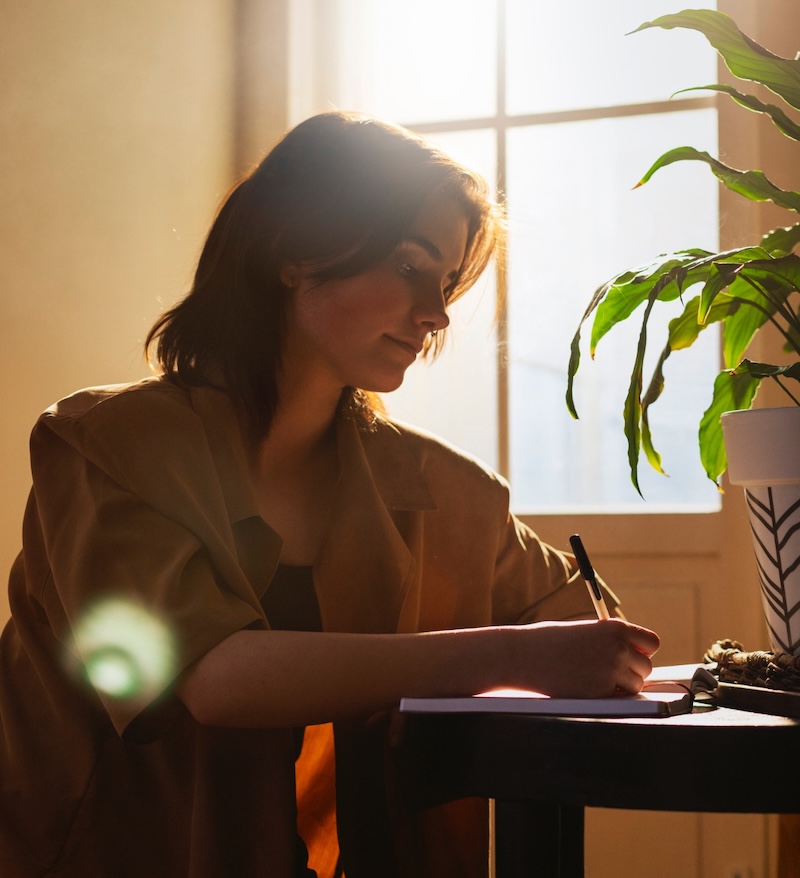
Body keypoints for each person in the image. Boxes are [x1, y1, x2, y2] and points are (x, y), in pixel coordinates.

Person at [0, 111, 659, 878]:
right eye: (411, 268)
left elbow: (584, 627)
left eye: (446, 282)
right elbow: (212, 680)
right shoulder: (103, 446)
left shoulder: (445, 489)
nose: (436, 314)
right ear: (297, 250)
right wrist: (511, 655)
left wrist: (592, 650)